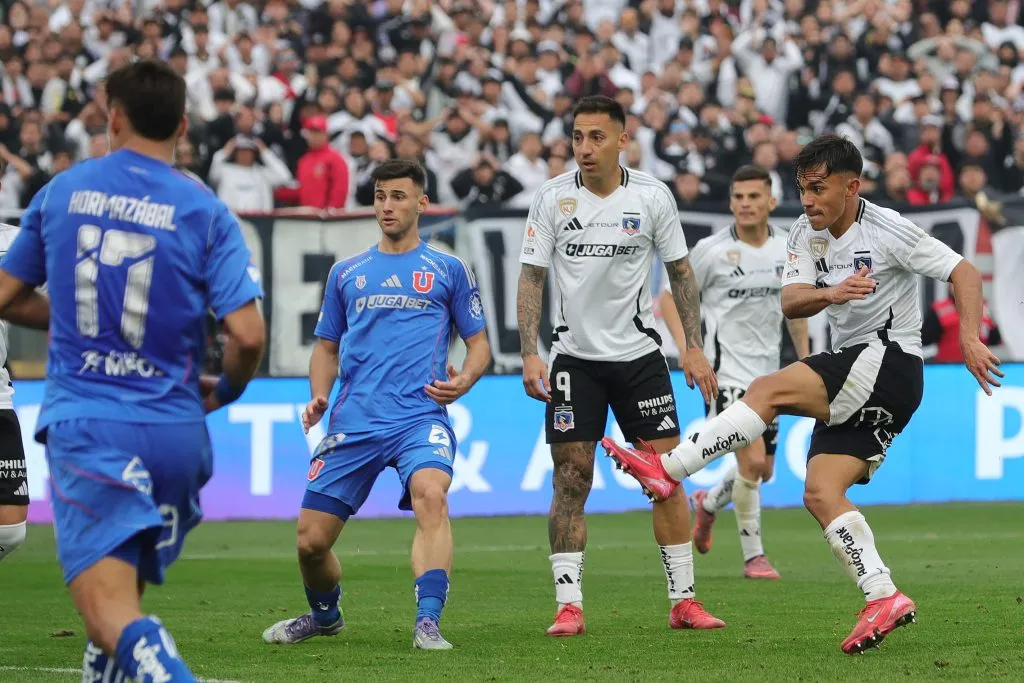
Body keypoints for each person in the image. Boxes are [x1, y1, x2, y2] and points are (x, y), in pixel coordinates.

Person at [602, 134, 1002, 654]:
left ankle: (668, 469)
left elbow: (963, 271)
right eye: (802, 188)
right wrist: (832, 293)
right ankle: (881, 594)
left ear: (852, 187)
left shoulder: (886, 229)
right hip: (864, 372)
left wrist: (969, 339)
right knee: (819, 492)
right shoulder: (803, 231)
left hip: (888, 361)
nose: (808, 199)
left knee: (767, 389)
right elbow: (791, 302)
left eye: (818, 189)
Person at [0, 59, 266, 682]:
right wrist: (224, 389)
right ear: (180, 123)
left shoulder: (64, 191)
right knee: (118, 611)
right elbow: (248, 334)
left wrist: (74, 322)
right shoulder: (203, 207)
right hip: (177, 433)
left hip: (92, 423)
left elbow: (6, 295)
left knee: (106, 610)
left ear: (113, 115)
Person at [516, 95, 724, 637]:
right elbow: (532, 277)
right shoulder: (552, 198)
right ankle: (569, 606)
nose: (585, 148)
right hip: (573, 361)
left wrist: (693, 346)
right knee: (571, 478)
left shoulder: (653, 197)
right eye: (578, 137)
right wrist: (529, 351)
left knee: (666, 478)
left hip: (640, 359)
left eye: (597, 138)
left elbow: (680, 274)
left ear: (622, 140)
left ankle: (684, 601)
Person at [262, 159, 491, 651]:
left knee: (432, 493)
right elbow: (325, 347)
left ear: (421, 203)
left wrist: (466, 380)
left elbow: (479, 344)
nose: (388, 206)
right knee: (310, 542)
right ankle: (325, 616)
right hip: (355, 420)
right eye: (381, 196)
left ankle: (427, 621)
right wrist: (319, 394)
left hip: (419, 416)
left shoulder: (447, 269)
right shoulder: (348, 273)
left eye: (399, 196)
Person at [659, 165, 809, 581]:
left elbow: (796, 310)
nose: (746, 204)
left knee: (763, 471)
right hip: (725, 374)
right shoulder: (711, 250)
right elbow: (669, 300)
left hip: (769, 376)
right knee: (753, 460)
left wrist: (805, 358)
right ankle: (754, 557)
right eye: (739, 197)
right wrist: (691, 349)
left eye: (754, 197)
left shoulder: (788, 250)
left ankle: (707, 503)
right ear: (731, 203)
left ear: (771, 202)